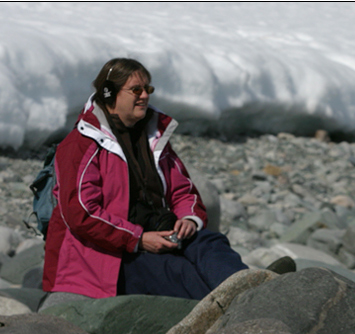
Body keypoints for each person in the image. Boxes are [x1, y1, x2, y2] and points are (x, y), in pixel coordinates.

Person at [42, 57, 247, 301]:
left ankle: (254, 294)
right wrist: (138, 239)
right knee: (180, 275)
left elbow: (183, 191)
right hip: (110, 253)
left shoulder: (152, 135)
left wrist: (189, 219)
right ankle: (238, 310)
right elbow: (81, 213)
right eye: (136, 90)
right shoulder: (80, 143)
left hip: (157, 232)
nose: (145, 96)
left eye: (147, 89)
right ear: (110, 94)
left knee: (210, 243)